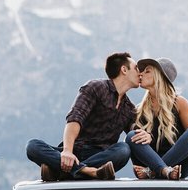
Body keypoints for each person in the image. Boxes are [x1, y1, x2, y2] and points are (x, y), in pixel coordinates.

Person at [26, 52, 149, 181]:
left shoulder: (129, 108)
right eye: (136, 68)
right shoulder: (96, 87)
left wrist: (147, 135)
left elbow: (136, 134)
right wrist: (67, 151)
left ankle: (64, 171)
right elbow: (75, 117)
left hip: (101, 156)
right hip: (73, 151)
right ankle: (87, 171)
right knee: (32, 146)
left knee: (123, 150)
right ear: (124, 69)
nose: (139, 73)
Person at [126, 57, 188, 180]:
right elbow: (135, 143)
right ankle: (162, 170)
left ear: (160, 77)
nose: (140, 74)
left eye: (147, 71)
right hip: (148, 164)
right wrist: (149, 137)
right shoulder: (139, 110)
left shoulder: (179, 103)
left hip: (178, 168)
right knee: (132, 136)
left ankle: (154, 172)